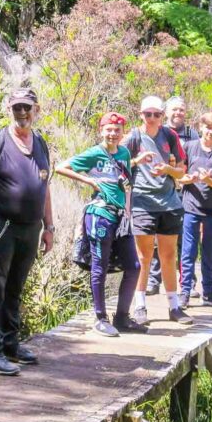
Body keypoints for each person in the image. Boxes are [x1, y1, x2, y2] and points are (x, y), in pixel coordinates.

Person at [0, 87, 54, 375]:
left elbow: (45, 186)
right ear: (10, 109)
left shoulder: (40, 142)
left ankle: (9, 344)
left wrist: (49, 226)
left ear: (36, 109)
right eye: (17, 107)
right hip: (1, 226)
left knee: (15, 287)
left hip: (31, 228)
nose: (22, 113)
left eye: (27, 107)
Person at [56, 112, 147, 337]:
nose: (113, 133)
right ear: (101, 130)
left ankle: (122, 317)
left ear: (122, 132)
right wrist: (89, 180)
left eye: (117, 130)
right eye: (109, 129)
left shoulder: (124, 153)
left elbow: (124, 182)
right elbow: (61, 167)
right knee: (100, 265)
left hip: (120, 217)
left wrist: (128, 212)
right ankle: (100, 318)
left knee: (133, 266)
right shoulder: (94, 153)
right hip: (99, 214)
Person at [123, 96, 191, 325]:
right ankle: (140, 306)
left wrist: (168, 169)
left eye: (156, 114)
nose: (152, 119)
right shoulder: (133, 137)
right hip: (142, 202)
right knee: (143, 256)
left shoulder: (170, 136)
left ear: (162, 116)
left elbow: (182, 172)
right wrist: (136, 161)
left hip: (170, 203)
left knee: (169, 255)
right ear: (140, 114)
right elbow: (117, 162)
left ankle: (174, 306)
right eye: (147, 114)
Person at [178, 111, 212, 309]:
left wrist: (208, 180)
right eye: (207, 127)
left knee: (209, 251)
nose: (210, 131)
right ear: (201, 127)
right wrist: (189, 179)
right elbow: (178, 177)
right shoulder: (189, 147)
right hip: (191, 206)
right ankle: (184, 292)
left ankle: (208, 292)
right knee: (188, 251)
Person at [146, 96, 198, 296]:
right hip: (160, 192)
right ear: (166, 112)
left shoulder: (192, 135)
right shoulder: (157, 132)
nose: (178, 113)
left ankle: (188, 282)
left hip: (186, 192)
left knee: (186, 238)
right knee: (157, 237)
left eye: (182, 110)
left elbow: (196, 161)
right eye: (174, 110)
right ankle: (153, 280)